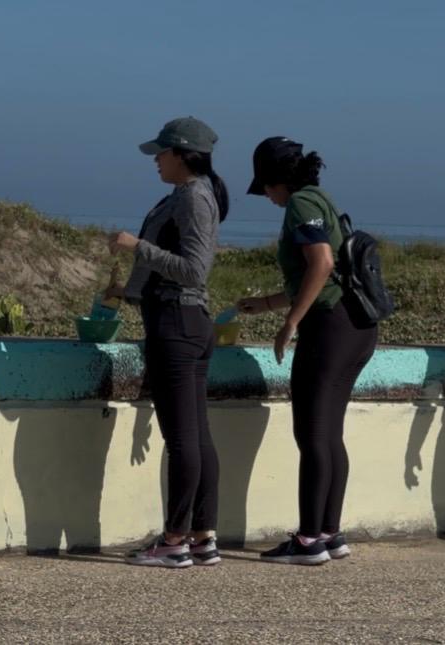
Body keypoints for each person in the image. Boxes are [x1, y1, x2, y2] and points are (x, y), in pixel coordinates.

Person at [237, 137, 378, 565]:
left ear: (277, 180)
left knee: (311, 434)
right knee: (329, 434)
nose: (266, 196)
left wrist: (291, 322)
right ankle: (330, 533)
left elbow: (321, 264)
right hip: (357, 326)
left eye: (265, 186)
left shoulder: (300, 203)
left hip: (329, 328)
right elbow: (318, 277)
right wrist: (266, 304)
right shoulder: (322, 200)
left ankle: (308, 540)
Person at [106, 117, 229, 568]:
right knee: (197, 436)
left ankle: (175, 540)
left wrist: (136, 245)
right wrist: (128, 292)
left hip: (177, 325)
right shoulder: (192, 196)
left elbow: (194, 271)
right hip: (187, 322)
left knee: (182, 441)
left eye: (161, 153)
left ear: (181, 154)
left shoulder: (195, 198)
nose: (155, 160)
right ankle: (201, 536)